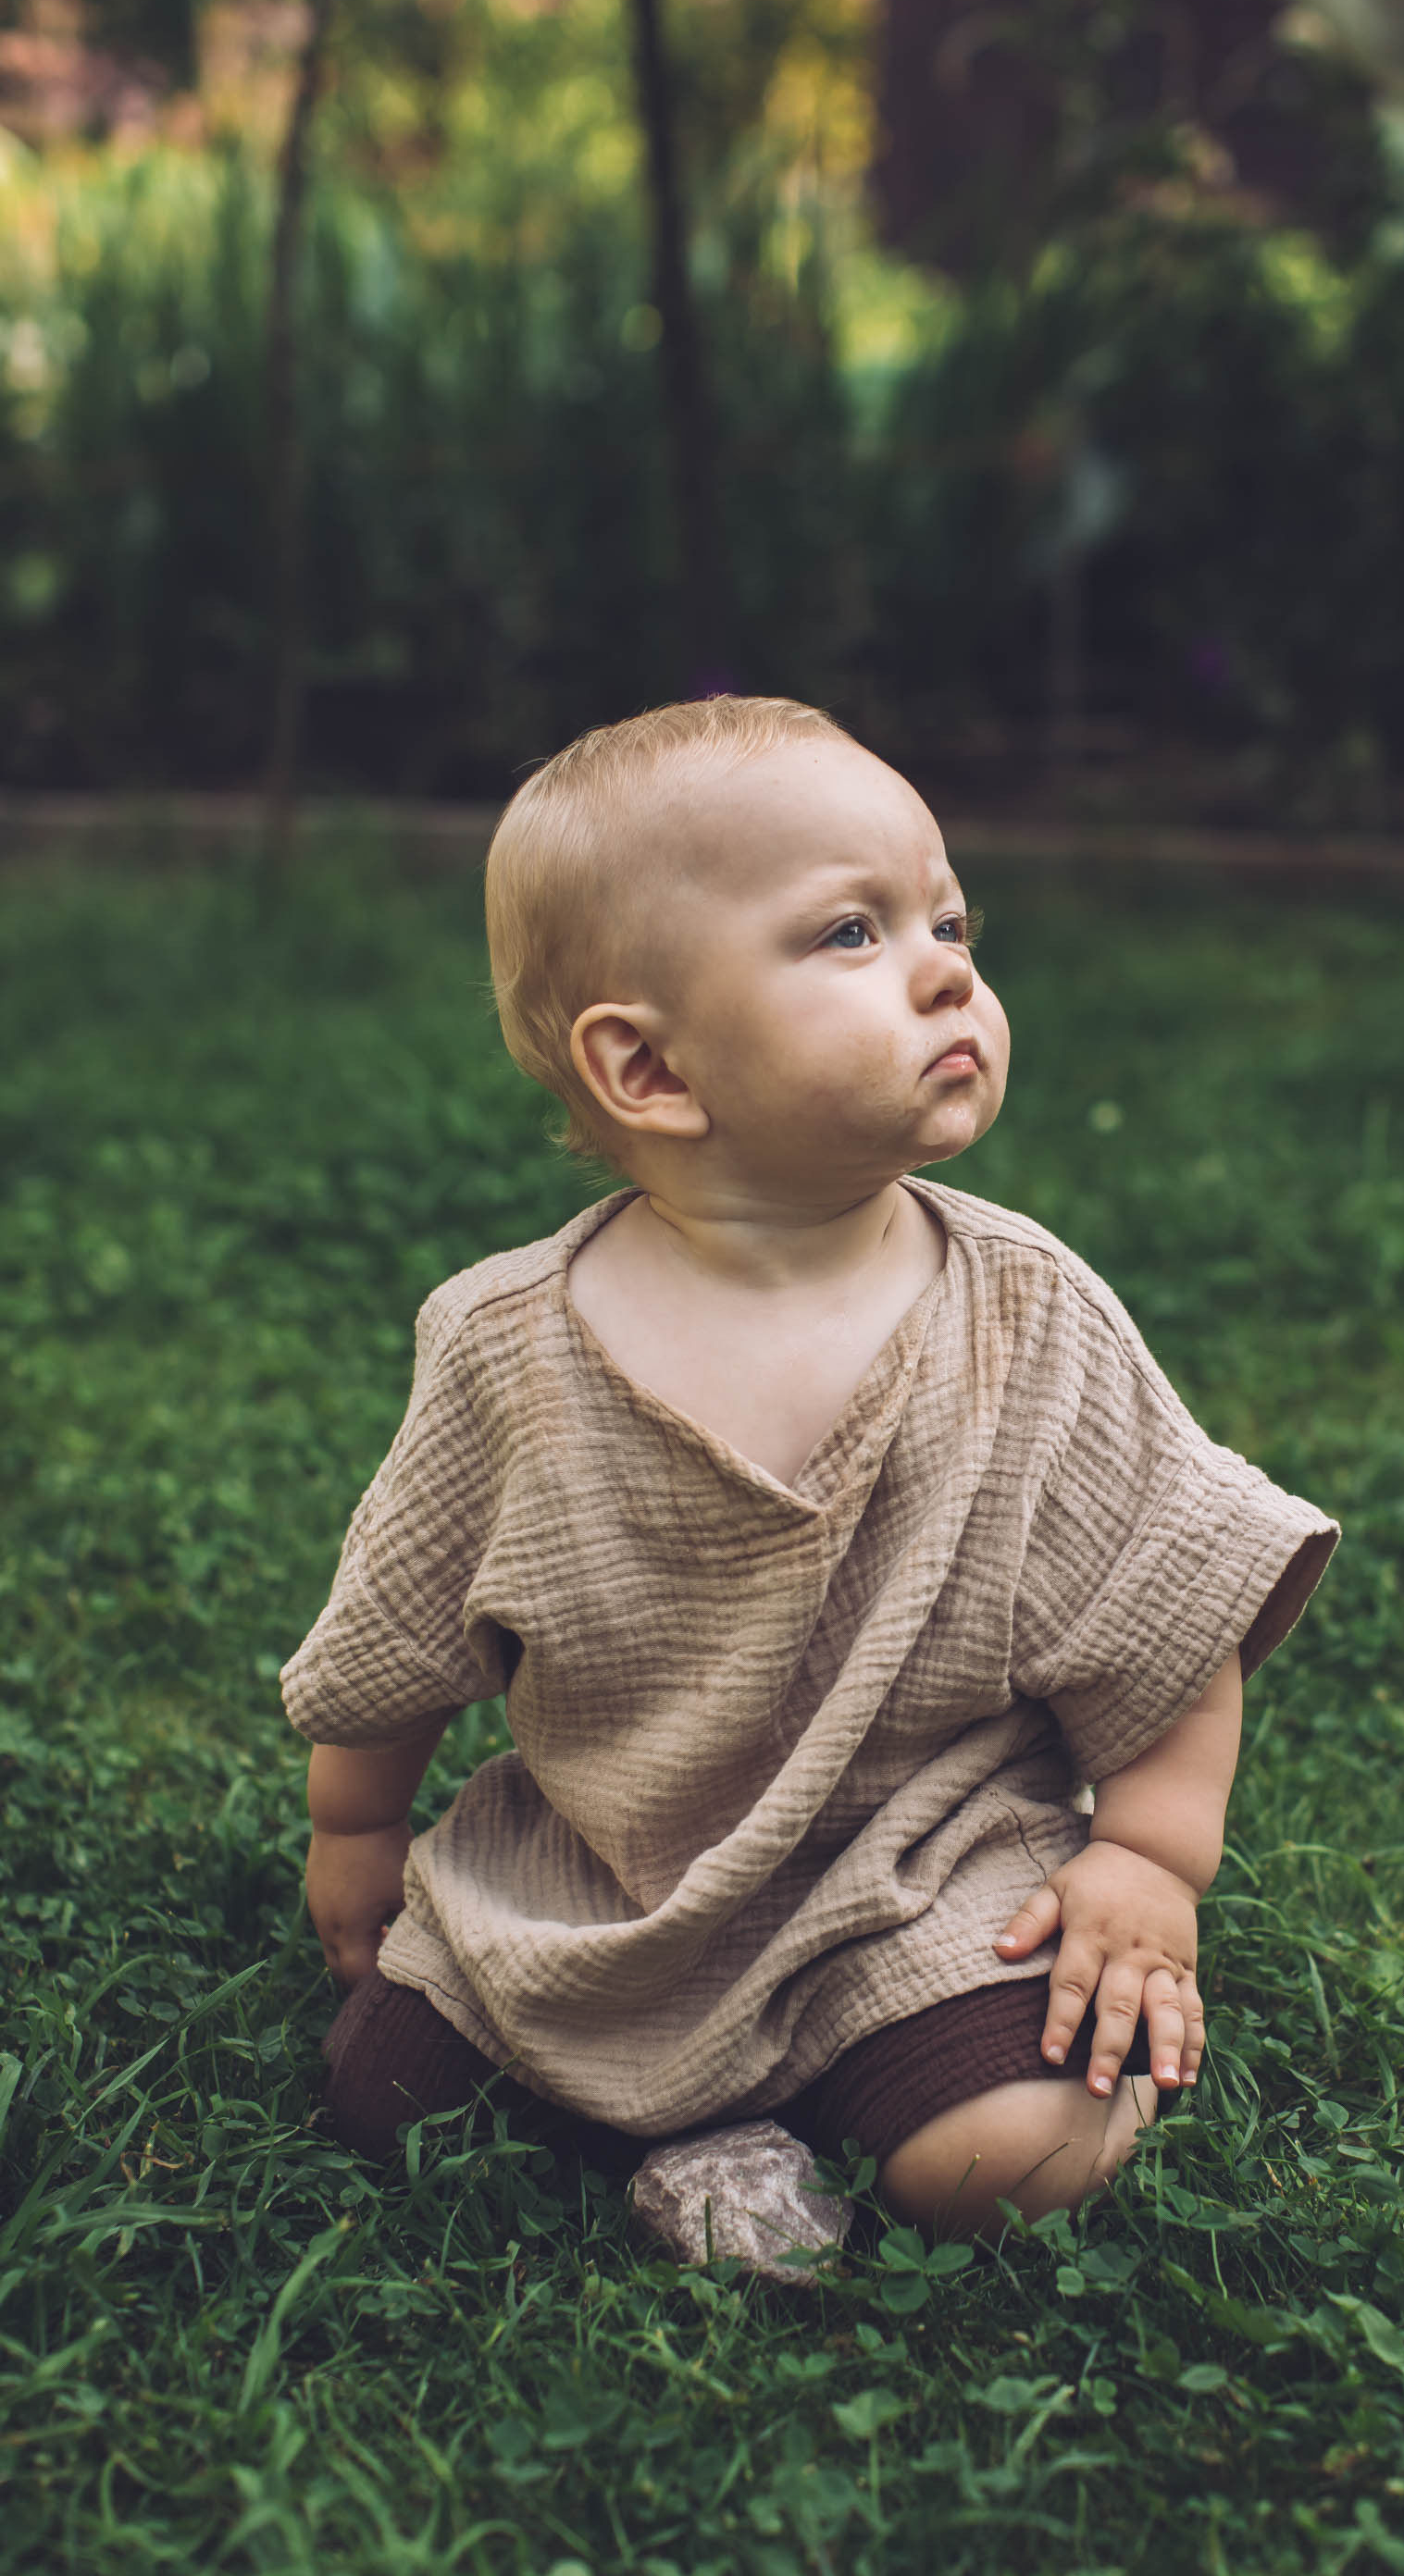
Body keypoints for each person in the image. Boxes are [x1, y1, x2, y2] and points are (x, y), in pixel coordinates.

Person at [284, 696, 1337, 2261]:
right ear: (648, 1065)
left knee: (1012, 2159)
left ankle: (851, 2084)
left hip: (925, 1873)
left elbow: (1167, 1607)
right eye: (854, 932)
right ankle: (723, 2113)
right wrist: (358, 1833)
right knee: (380, 2093)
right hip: (615, 1873)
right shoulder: (507, 1347)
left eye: (949, 916)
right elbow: (403, 1627)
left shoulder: (1028, 1311)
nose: (948, 966)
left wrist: (1146, 1856)